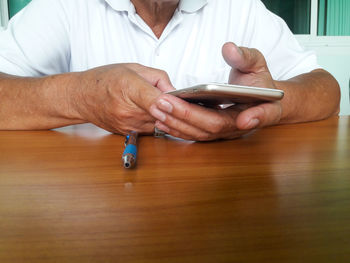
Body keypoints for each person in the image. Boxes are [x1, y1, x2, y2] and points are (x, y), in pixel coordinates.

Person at [0, 0, 340, 141]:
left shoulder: (239, 6)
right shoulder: (64, 6)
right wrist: (81, 97)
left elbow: (327, 90)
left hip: (217, 206)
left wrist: (272, 104)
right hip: (89, 208)